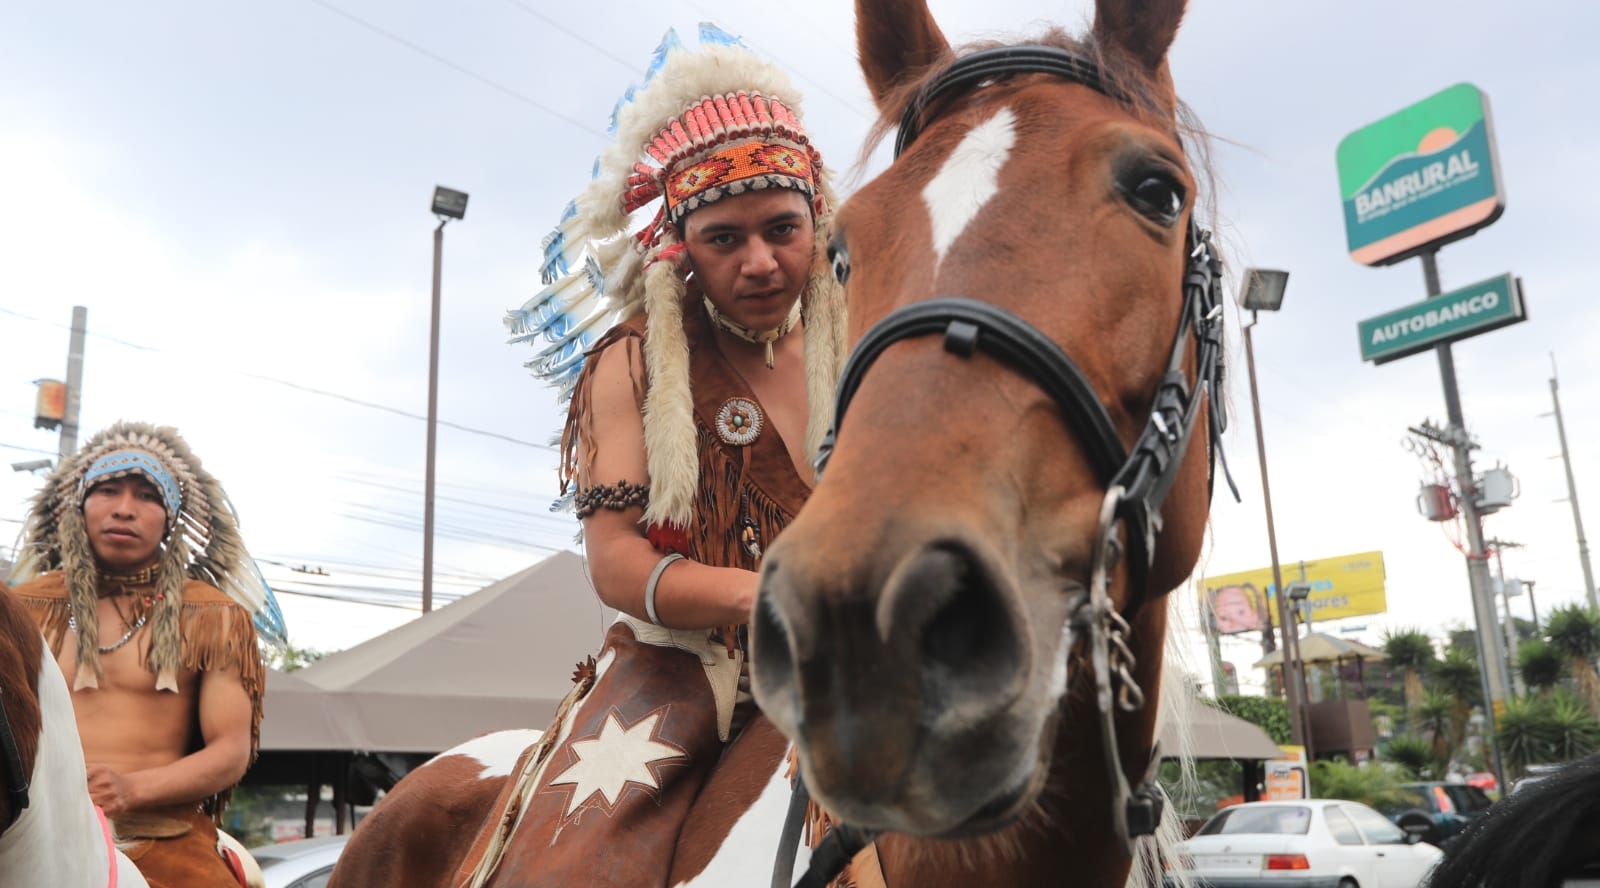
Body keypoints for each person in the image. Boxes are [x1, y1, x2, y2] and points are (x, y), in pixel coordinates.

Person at [461, 25, 848, 886]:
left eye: (783, 229)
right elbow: (615, 560)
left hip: (866, 651)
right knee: (570, 870)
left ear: (817, 219)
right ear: (678, 249)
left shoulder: (874, 338)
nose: (759, 262)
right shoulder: (630, 362)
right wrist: (771, 599)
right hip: (685, 670)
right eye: (725, 239)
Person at [8, 421, 279, 888]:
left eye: (147, 496)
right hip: (27, 831)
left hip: (163, 834)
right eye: (108, 490)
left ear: (170, 516)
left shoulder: (213, 616)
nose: (125, 509)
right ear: (80, 505)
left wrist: (131, 789)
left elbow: (231, 750)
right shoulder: (23, 606)